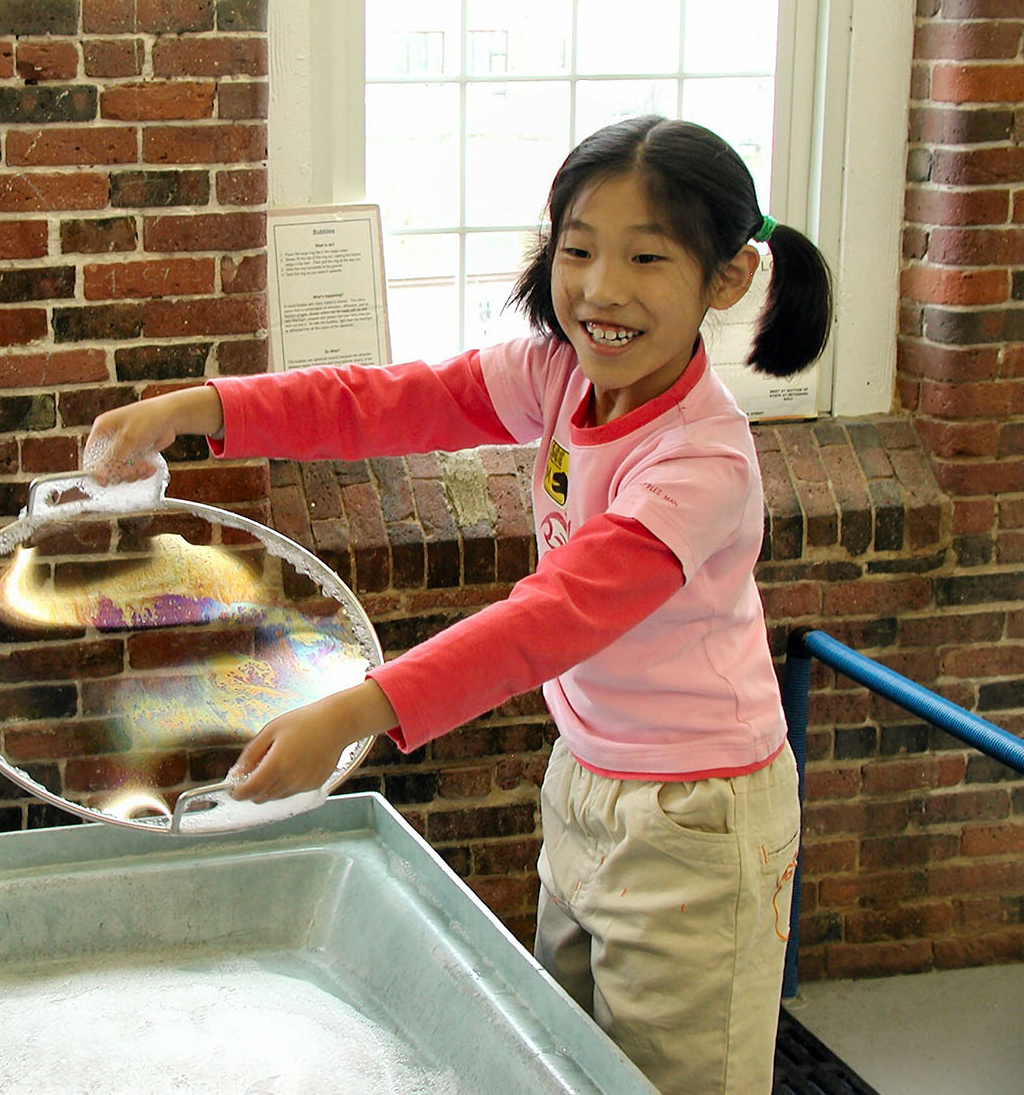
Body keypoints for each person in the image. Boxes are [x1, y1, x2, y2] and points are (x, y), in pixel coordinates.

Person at [84, 115, 833, 1094]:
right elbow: (380, 400)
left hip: (699, 813)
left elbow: (550, 619)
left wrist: (355, 712)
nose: (603, 290)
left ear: (726, 279)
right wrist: (200, 407)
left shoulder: (702, 462)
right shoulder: (560, 374)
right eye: (579, 250)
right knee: (569, 1057)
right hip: (587, 774)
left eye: (647, 258)